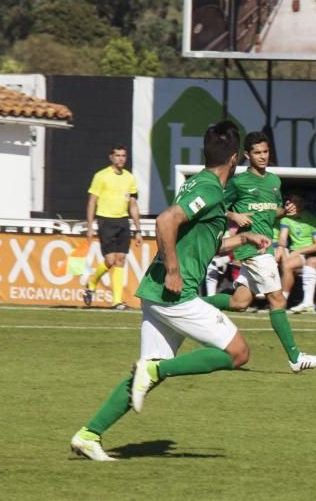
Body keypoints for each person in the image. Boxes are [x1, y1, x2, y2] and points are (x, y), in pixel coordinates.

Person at [70, 121, 271, 461]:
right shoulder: (208, 188)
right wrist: (175, 271)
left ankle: (89, 434)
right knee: (238, 353)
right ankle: (155, 369)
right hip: (176, 293)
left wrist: (243, 239)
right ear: (235, 158)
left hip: (157, 292)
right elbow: (166, 221)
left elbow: (203, 243)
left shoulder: (198, 185)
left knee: (144, 376)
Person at [202, 131, 316, 372]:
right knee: (277, 299)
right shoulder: (238, 182)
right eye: (257, 152)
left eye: (265, 151)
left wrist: (284, 211)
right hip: (253, 249)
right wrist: (234, 215)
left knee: (239, 302)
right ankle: (295, 357)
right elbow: (214, 206)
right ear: (247, 155)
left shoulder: (273, 181)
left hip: (264, 247)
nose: (262, 156)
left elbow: (271, 211)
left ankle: (191, 305)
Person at [84, 145, 143, 310]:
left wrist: (138, 230)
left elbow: (133, 205)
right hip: (106, 220)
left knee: (121, 259)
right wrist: (90, 226)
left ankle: (116, 301)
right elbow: (92, 202)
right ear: (111, 157)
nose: (121, 158)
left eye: (123, 155)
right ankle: (92, 282)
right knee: (110, 260)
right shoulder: (101, 176)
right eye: (118, 155)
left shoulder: (130, 178)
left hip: (123, 221)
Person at [279, 194, 316, 313]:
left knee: (287, 265)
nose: (297, 204)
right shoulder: (286, 218)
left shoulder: (313, 219)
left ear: (305, 203)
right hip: (292, 252)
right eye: (294, 201)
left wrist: (298, 252)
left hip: (308, 254)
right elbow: (283, 238)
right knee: (275, 258)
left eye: (300, 201)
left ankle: (282, 301)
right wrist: (282, 251)